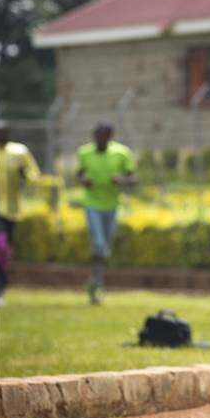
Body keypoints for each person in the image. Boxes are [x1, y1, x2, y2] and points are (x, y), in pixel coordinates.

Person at [77, 122, 136, 304]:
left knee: (104, 247)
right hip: (92, 204)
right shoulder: (84, 152)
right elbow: (80, 173)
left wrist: (122, 180)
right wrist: (84, 180)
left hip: (112, 204)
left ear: (110, 137)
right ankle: (97, 282)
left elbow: (133, 177)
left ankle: (94, 279)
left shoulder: (121, 153)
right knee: (100, 243)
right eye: (97, 136)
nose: (100, 139)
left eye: (104, 136)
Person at [0, 119, 41, 306]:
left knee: (4, 251)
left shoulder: (19, 152)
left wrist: (24, 174)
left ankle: (0, 288)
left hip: (12, 210)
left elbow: (35, 177)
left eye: (1, 132)